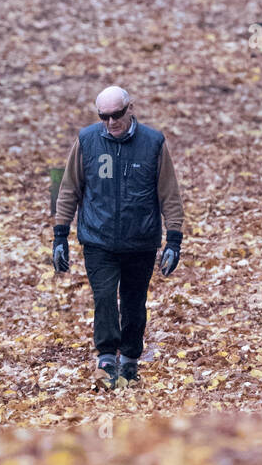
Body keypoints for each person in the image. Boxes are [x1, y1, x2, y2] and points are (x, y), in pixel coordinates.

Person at [51, 85, 184, 389]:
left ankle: (131, 360)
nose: (111, 122)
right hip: (99, 239)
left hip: (141, 240)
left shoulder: (153, 143)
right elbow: (69, 188)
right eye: (104, 116)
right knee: (105, 298)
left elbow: (170, 194)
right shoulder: (87, 141)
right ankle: (107, 357)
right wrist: (61, 235)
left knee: (135, 303)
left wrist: (174, 240)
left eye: (117, 115)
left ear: (130, 109)